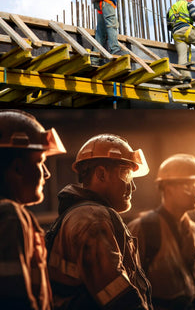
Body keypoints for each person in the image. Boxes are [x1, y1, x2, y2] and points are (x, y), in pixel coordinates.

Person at [46, 134, 152, 310]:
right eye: (126, 175)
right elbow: (118, 297)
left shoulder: (85, 214)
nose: (132, 187)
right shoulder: (93, 218)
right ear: (101, 174)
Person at [128, 154, 195, 310]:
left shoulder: (194, 231)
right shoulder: (142, 228)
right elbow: (129, 286)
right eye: (190, 186)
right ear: (168, 188)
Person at [0, 110, 66, 310]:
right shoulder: (9, 215)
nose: (46, 174)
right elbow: (14, 300)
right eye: (40, 162)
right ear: (18, 169)